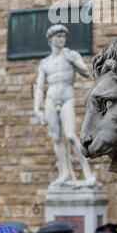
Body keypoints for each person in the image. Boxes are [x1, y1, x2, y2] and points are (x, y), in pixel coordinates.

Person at [34, 24, 95, 185]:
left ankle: (87, 172)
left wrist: (75, 62)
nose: (61, 39)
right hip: (51, 99)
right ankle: (65, 173)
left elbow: (86, 73)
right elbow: (40, 88)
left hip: (67, 97)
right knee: (56, 138)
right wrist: (37, 109)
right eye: (58, 36)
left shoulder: (71, 55)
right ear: (50, 39)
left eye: (63, 36)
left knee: (70, 135)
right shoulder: (45, 63)